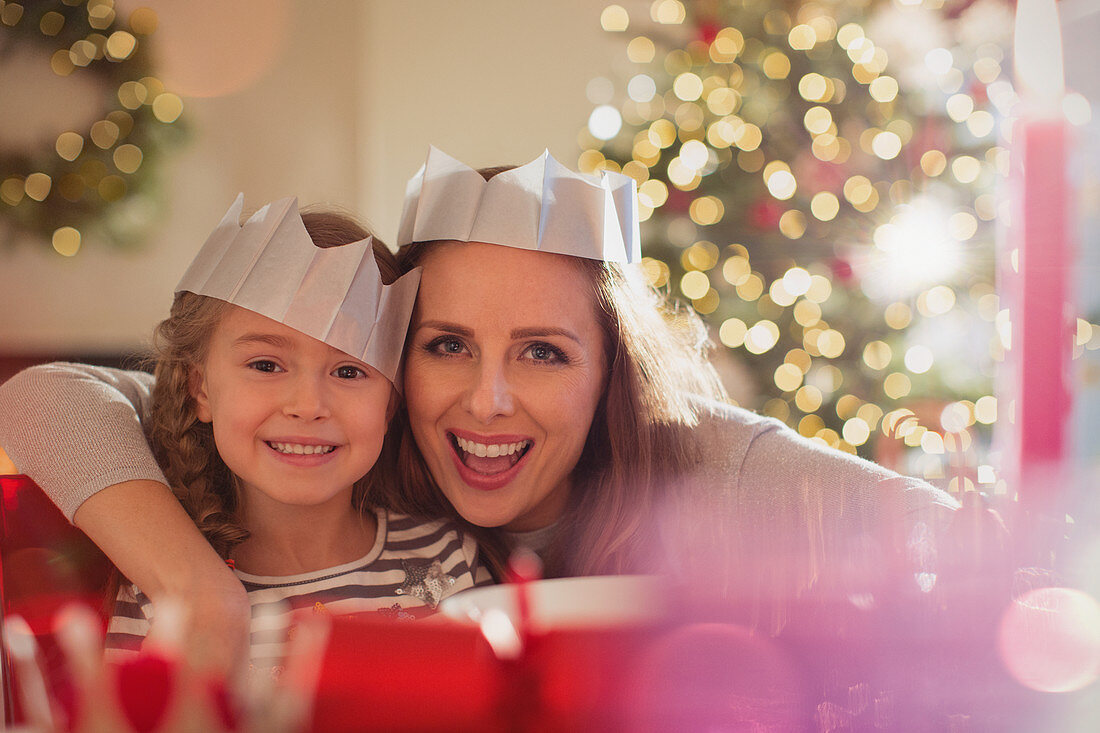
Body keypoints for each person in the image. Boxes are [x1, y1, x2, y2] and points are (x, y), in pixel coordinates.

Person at [0, 149, 959, 666]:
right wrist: (196, 587)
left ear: (610, 373)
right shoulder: (291, 433)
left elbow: (950, 536)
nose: (487, 400)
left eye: (543, 352)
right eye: (446, 344)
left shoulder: (691, 461)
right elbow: (47, 397)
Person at [93, 195, 485, 669]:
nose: (308, 406)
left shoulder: (448, 560)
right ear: (200, 389)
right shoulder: (163, 594)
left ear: (391, 402)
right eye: (265, 364)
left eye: (348, 371)